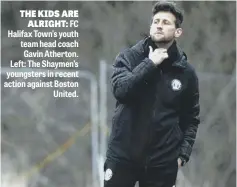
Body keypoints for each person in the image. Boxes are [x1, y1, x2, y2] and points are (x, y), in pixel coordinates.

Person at [104, 1, 200, 187]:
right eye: (156, 21)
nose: (159, 25)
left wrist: (182, 155)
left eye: (165, 22)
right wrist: (150, 64)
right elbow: (121, 91)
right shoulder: (129, 58)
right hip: (123, 158)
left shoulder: (186, 72)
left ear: (177, 32)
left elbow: (191, 119)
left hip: (162, 163)